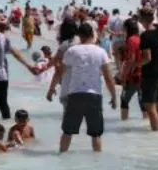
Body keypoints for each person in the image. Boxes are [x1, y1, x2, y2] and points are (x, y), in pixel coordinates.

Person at [57, 22, 117, 152]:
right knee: (96, 134)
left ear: (79, 36)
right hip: (94, 95)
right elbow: (108, 77)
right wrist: (114, 96)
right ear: (92, 34)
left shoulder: (72, 51)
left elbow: (60, 71)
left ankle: (62, 159)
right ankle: (97, 164)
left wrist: (51, 89)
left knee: (67, 131)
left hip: (75, 94)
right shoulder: (101, 52)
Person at [138, 7, 158, 131]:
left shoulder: (145, 36)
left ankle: (156, 135)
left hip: (151, 73)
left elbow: (147, 58)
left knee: (150, 107)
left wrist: (136, 65)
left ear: (141, 19)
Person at [47, 19, 79, 107]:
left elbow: (58, 71)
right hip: (86, 89)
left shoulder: (65, 45)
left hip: (69, 88)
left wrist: (51, 89)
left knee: (69, 118)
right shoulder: (83, 42)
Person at [119, 19, 146, 120]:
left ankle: (124, 123)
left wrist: (124, 76)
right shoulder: (140, 39)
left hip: (133, 75)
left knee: (124, 100)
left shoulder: (130, 40)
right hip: (143, 74)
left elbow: (131, 60)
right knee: (143, 102)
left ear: (127, 29)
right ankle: (146, 125)